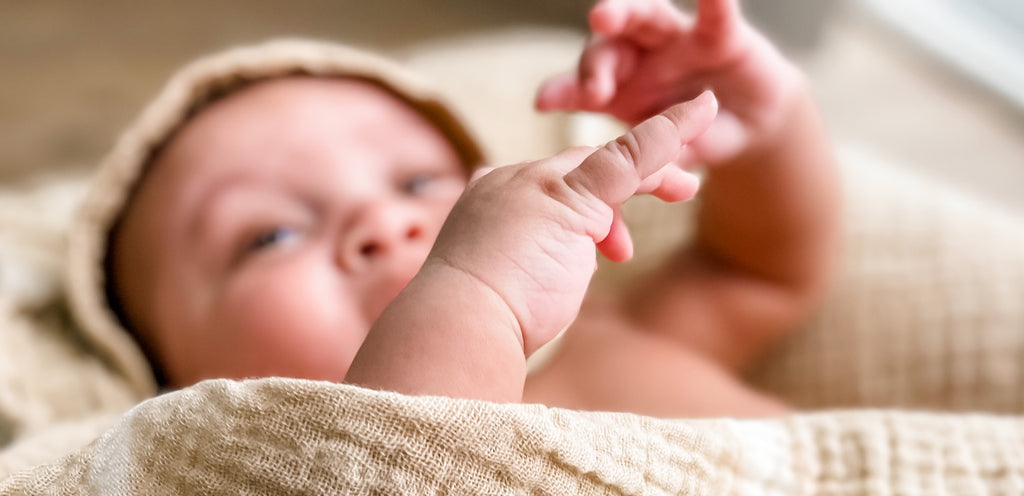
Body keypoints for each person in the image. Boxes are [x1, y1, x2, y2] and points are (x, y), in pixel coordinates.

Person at [101, 0, 840, 418]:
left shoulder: (616, 336)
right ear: (174, 386)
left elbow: (758, 274)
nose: (383, 223)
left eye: (420, 183)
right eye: (271, 234)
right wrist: (472, 293)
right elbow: (412, 482)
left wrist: (756, 130)